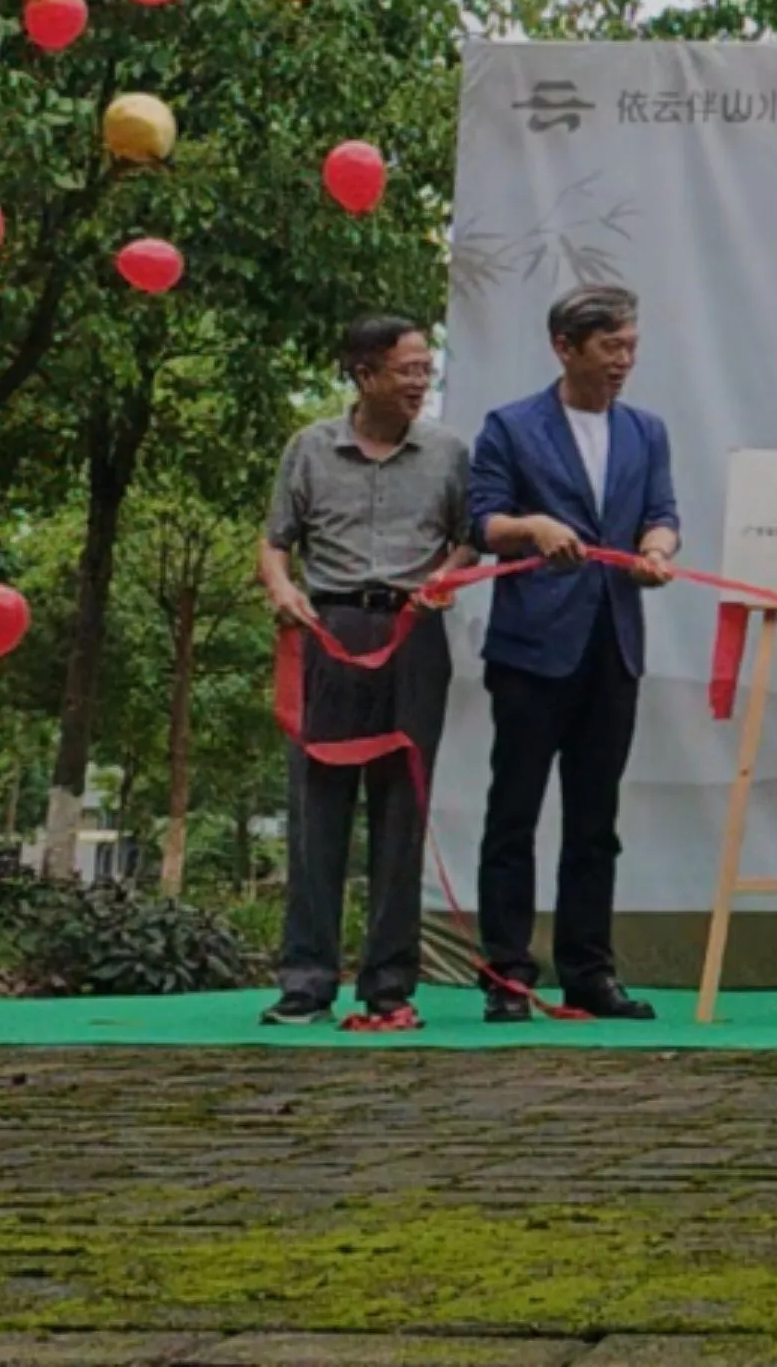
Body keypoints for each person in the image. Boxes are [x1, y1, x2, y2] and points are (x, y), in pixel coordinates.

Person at [467, 284, 679, 1021]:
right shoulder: (513, 426)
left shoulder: (645, 431)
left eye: (631, 347)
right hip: (531, 650)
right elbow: (483, 518)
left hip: (612, 645)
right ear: (565, 346)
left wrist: (657, 549)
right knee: (514, 813)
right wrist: (533, 527)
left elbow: (661, 513)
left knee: (596, 820)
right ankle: (508, 976)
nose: (623, 361)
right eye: (609, 347)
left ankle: (590, 971)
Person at [256, 314, 471, 1030]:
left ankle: (389, 985)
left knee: (401, 811)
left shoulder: (446, 452)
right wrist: (283, 592)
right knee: (318, 809)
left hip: (414, 634)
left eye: (424, 369)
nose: (420, 383)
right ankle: (306, 981)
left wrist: (442, 578)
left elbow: (467, 542)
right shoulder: (309, 449)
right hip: (331, 629)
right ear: (364, 374)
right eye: (407, 370)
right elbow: (275, 542)